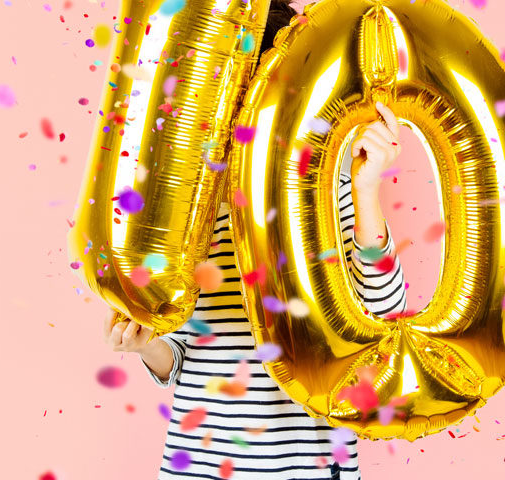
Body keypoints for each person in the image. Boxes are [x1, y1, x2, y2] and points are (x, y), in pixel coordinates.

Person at [103, 2, 407, 479]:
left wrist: (366, 190)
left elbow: (384, 314)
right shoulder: (190, 202)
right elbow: (180, 357)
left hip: (307, 467)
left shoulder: (328, 191)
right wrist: (144, 344)